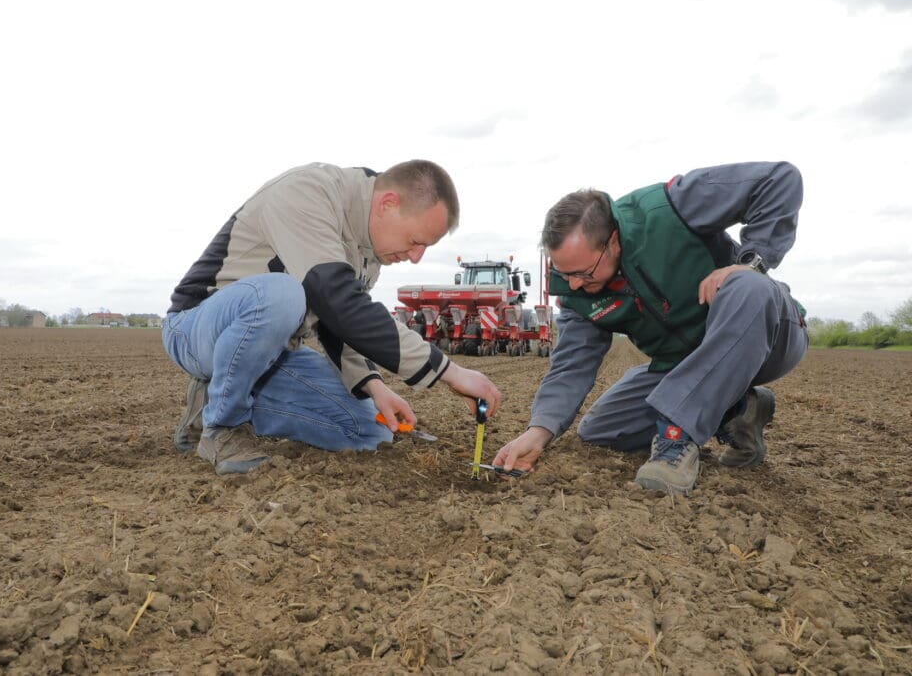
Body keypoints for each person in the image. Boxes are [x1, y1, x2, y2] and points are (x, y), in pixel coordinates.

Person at [162, 160, 502, 475]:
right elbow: (335, 299)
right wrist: (450, 372)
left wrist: (374, 386)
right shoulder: (307, 194)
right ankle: (222, 427)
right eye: (415, 242)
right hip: (196, 329)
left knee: (367, 432)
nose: (416, 257)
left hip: (273, 354)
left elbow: (336, 322)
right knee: (281, 294)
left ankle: (211, 401)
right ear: (387, 204)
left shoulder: (369, 252)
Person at [493, 162, 808, 495]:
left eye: (584, 273)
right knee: (601, 430)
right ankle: (738, 410)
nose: (573, 284)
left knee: (748, 285)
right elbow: (571, 367)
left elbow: (779, 179)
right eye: (564, 272)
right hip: (685, 362)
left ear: (613, 241)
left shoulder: (670, 208)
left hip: (768, 334)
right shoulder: (575, 291)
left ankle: (678, 438)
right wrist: (538, 431)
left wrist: (751, 263)